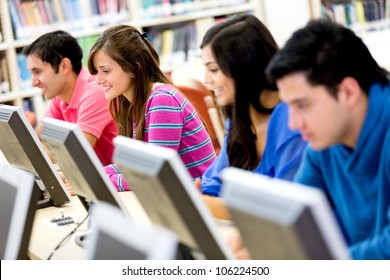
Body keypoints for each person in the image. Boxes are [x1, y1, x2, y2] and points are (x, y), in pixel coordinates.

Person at [265, 19, 390, 259]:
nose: (293, 123)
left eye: (302, 105)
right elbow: (294, 217)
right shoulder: (324, 142)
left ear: (348, 92)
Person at [197, 14, 307, 219]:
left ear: (243, 66)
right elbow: (213, 181)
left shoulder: (293, 123)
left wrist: (205, 203)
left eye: (213, 69)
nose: (206, 80)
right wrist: (204, 197)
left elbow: (283, 212)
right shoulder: (240, 117)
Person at [87, 24, 216, 191]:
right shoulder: (135, 104)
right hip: (178, 198)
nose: (98, 80)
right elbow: (130, 165)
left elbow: (154, 175)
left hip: (202, 200)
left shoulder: (162, 100)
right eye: (97, 72)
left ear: (134, 67)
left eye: (106, 71)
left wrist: (101, 180)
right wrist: (92, 175)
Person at [24, 31, 117, 168]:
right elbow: (37, 140)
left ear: (64, 66)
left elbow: (76, 153)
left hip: (120, 184)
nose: (33, 83)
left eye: (37, 72)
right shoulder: (60, 96)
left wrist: (42, 151)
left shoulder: (96, 91)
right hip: (95, 178)